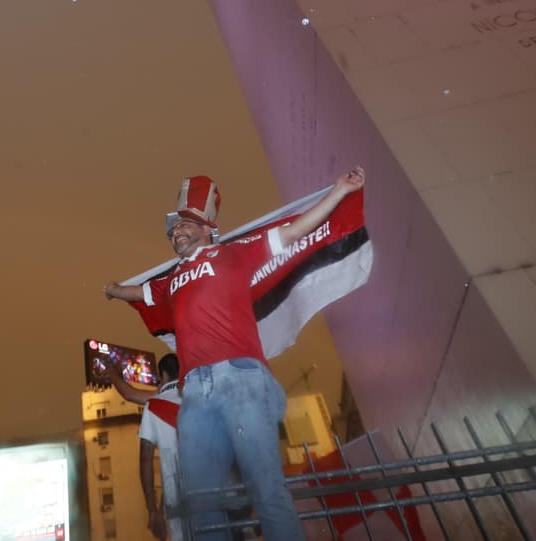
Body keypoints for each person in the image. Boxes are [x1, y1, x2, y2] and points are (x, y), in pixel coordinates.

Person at [104, 168, 366, 540]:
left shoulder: (236, 254)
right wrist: (115, 290)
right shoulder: (170, 282)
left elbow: (294, 231)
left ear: (209, 228)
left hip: (240, 379)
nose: (174, 232)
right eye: (172, 230)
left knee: (265, 488)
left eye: (183, 225)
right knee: (201, 503)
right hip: (194, 394)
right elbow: (140, 293)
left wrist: (340, 192)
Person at [108, 354, 184, 540]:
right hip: (219, 490)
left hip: (180, 502)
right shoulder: (203, 395)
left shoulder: (154, 405)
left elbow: (146, 459)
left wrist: (152, 510)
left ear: (163, 375)